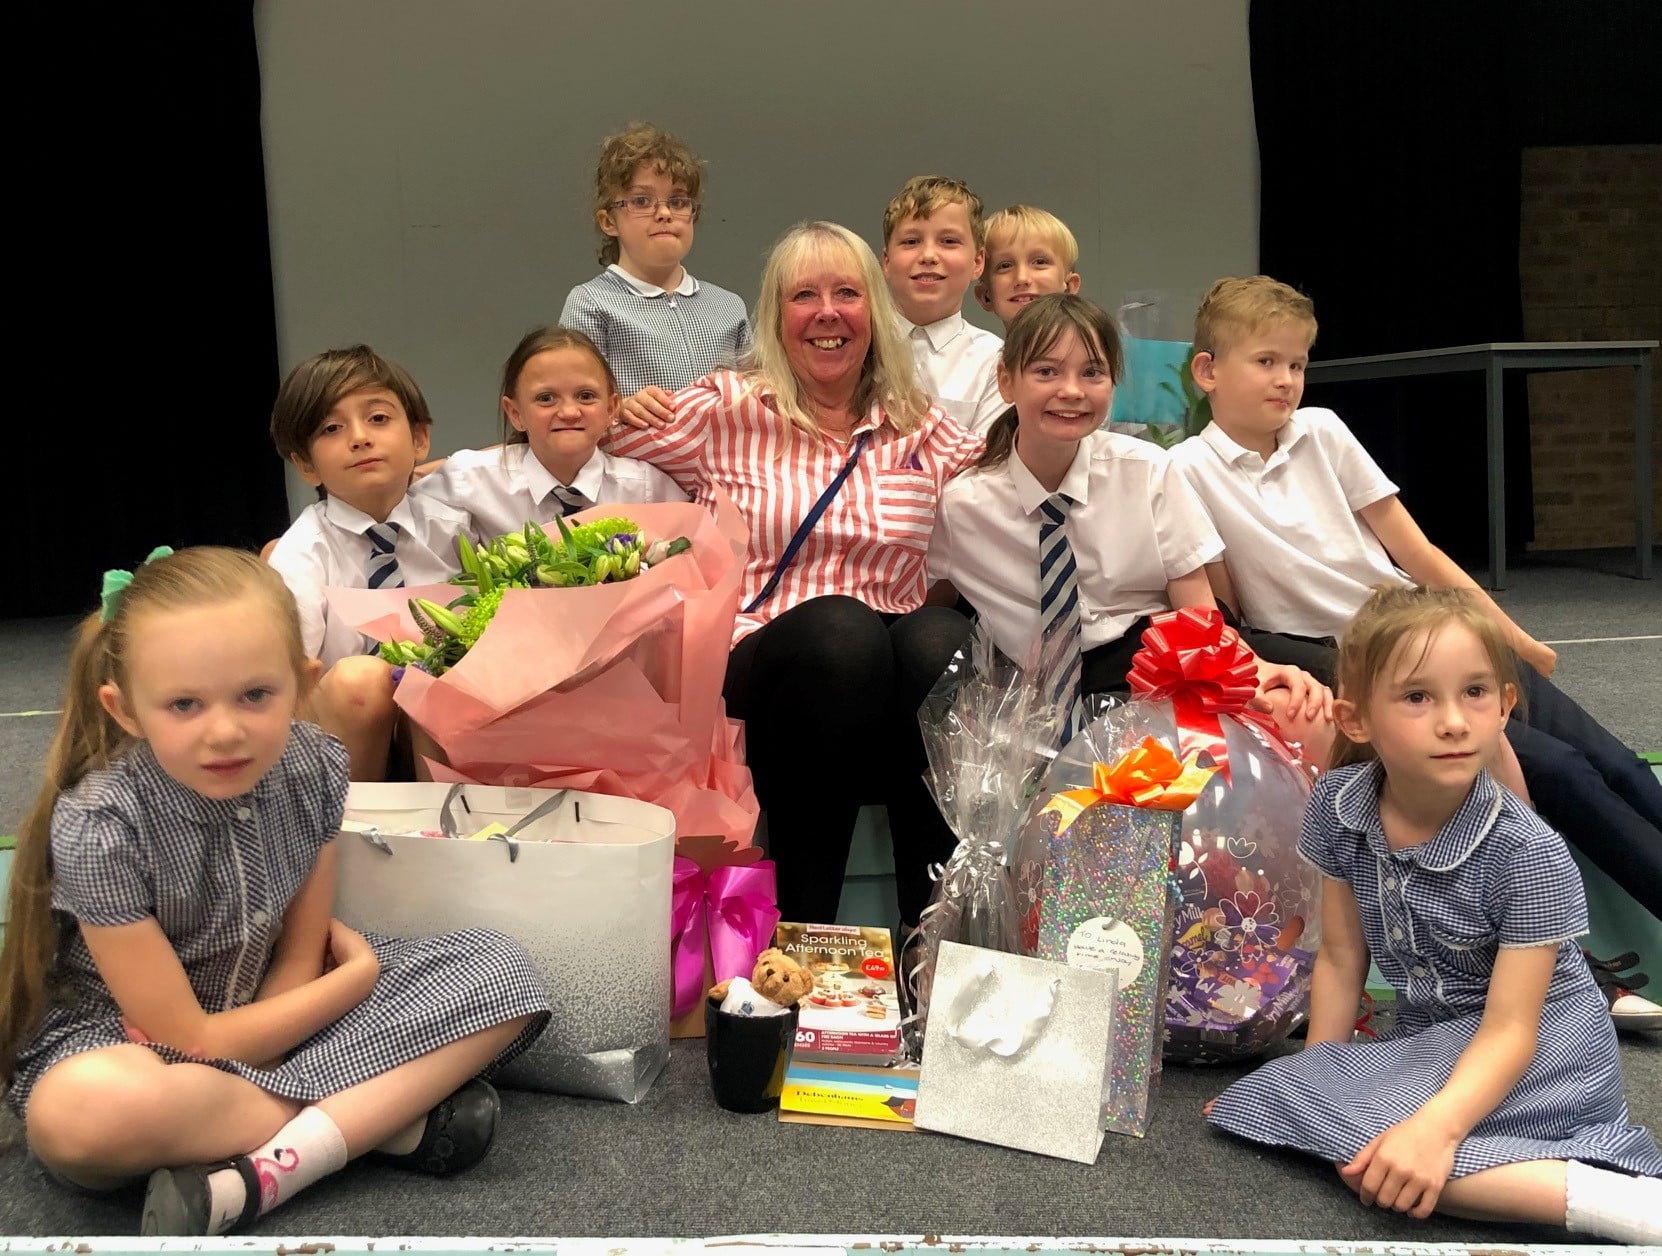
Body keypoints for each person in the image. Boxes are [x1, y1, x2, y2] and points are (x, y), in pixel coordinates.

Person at [0, 547, 551, 1235]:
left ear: (302, 681)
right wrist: (358, 979)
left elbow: (295, 959)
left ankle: (285, 1155)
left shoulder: (314, 763)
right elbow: (189, 1036)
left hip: (277, 1009)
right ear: (126, 709)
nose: (224, 731)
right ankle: (350, 1129)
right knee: (80, 1115)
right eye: (183, 705)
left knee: (504, 970)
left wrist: (309, 1002)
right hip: (135, 1042)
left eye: (255, 695)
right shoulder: (100, 826)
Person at [1169, 275, 1662, 939]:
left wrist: (1510, 634)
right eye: (1265, 362)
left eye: (1297, 364)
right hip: (1381, 668)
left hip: (1443, 632)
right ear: (1208, 370)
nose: (1286, 380)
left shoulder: (1323, 430)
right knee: (1563, 775)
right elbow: (1223, 608)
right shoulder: (1183, 470)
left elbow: (1418, 553)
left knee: (1620, 764)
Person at [1206, 586, 1661, 1244]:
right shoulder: (1339, 803)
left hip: (1544, 1053)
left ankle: (1616, 1203)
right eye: (1418, 698)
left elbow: (1510, 1030)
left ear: (1505, 706)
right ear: (1355, 719)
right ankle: (1417, 1137)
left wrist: (1432, 1127)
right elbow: (1340, 957)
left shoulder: (1530, 853)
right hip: (1435, 1046)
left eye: (1475, 693)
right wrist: (1318, 1080)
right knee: (1328, 1118)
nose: (1453, 720)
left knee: (1387, 1163)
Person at [607, 220, 985, 926]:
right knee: (841, 635)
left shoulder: (919, 425)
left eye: (847, 292)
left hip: (891, 683)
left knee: (940, 638)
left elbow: (1011, 477)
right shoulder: (724, 407)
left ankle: (934, 939)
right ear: (776, 317)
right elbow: (578, 437)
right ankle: (805, 932)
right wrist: (621, 407)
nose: (827, 313)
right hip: (765, 667)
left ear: (874, 309)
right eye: (803, 295)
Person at [927, 293, 1331, 740]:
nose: (1072, 390)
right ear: (1006, 381)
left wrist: (1251, 668)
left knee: (1309, 696)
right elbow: (934, 602)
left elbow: (1196, 603)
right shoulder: (964, 505)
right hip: (1036, 684)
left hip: (1151, 658)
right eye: (1046, 371)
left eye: (1093, 372)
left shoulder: (1147, 470)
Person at [268, 345, 469, 779]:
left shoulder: (455, 531)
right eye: (331, 428)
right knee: (361, 680)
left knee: (441, 669)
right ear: (305, 465)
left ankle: (447, 832)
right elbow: (286, 687)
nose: (360, 437)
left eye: (378, 418)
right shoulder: (302, 553)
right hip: (339, 741)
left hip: (441, 733)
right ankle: (350, 831)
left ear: (419, 439)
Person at [558, 122, 752, 431]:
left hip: (722, 470)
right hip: (635, 473)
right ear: (609, 221)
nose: (664, 213)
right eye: (641, 201)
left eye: (677, 201)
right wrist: (619, 409)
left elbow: (755, 403)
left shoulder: (729, 307)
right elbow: (569, 403)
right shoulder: (591, 305)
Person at [412, 326, 685, 541]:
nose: (568, 411)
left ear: (612, 407)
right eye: (546, 398)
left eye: (586, 396)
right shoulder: (469, 482)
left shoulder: (647, 488)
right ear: (515, 413)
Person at [880, 175, 1006, 433]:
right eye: (911, 241)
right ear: (886, 262)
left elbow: (985, 461)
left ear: (977, 262)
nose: (928, 255)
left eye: (949, 241)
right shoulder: (855, 347)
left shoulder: (994, 361)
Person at [973, 205, 1082, 329]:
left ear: (1069, 285)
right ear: (985, 295)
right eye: (1005, 266)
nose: (1022, 278)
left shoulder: (1094, 347)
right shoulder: (976, 348)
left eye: (1040, 262)